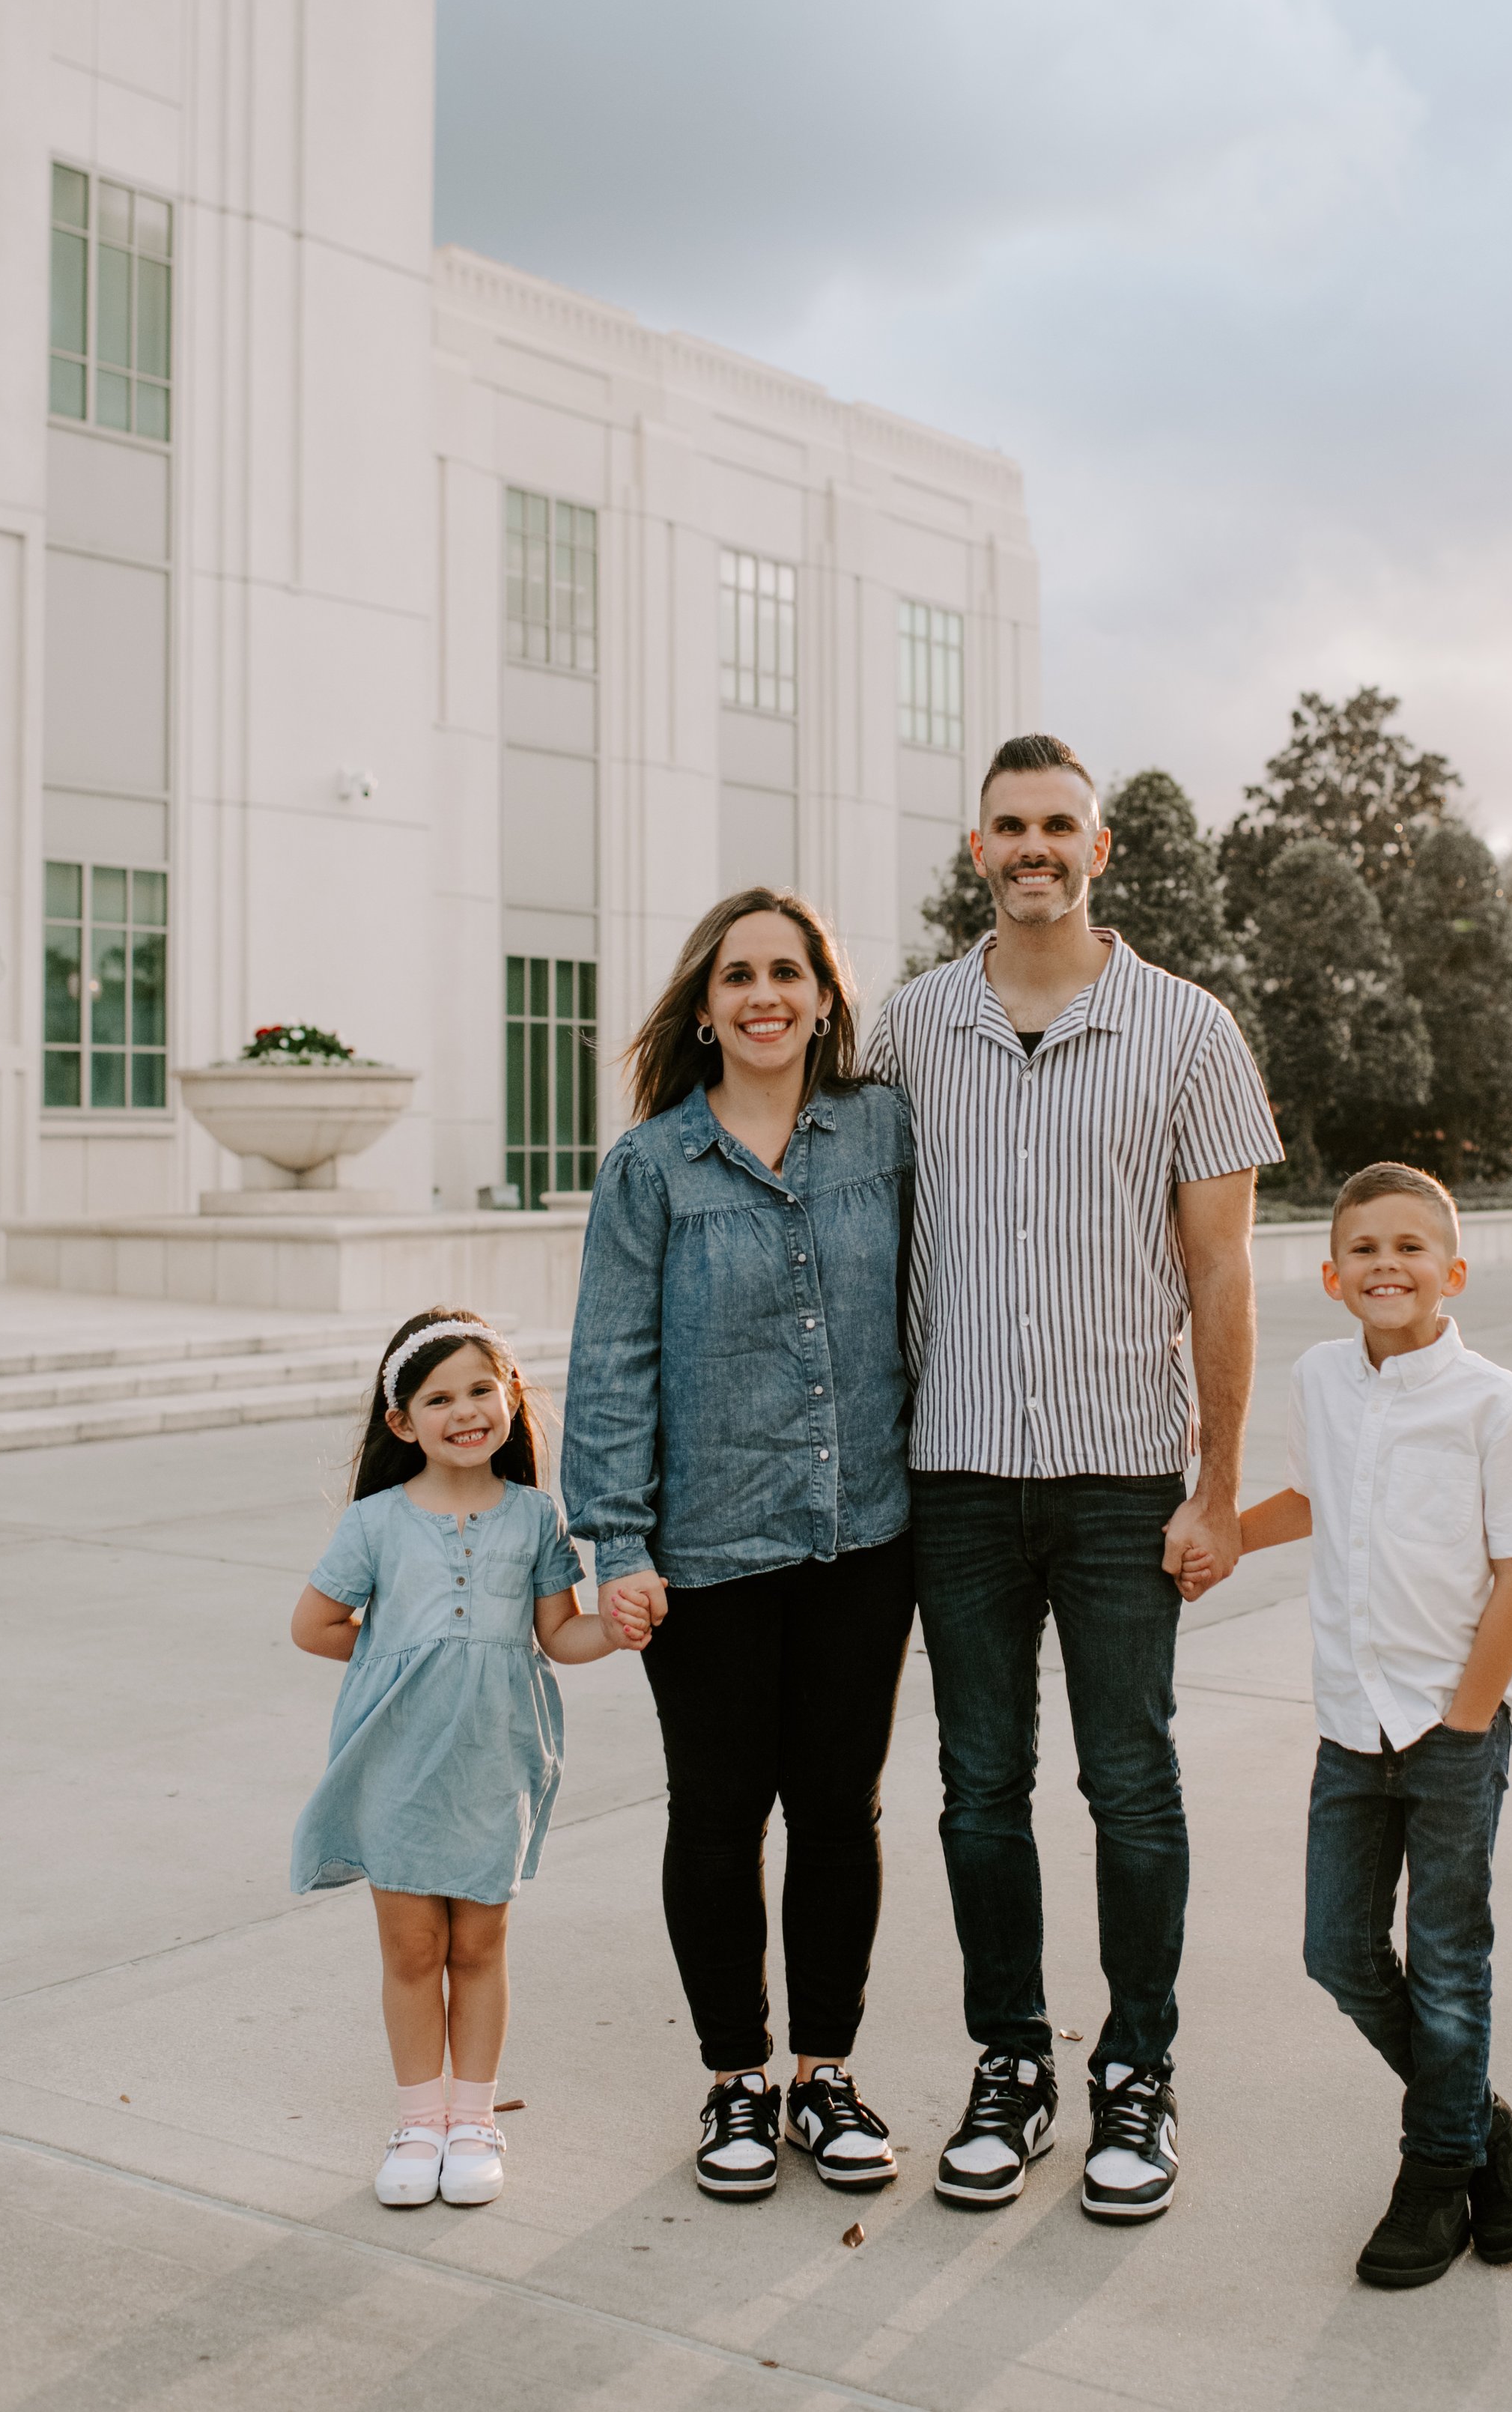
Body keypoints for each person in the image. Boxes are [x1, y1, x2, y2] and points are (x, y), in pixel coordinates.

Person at [863, 732, 1284, 2225]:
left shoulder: (1186, 1031)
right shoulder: (905, 1031)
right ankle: (1010, 2069)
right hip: (957, 1482)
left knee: (1130, 1786)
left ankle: (1137, 2077)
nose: (1032, 846)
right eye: (1006, 827)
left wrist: (1215, 1486)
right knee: (977, 1788)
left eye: (1057, 826)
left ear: (1098, 850)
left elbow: (1223, 1275)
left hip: (1120, 1481)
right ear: (974, 850)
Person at [563, 887, 915, 2203]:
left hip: (862, 1537)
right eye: (738, 977)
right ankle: (733, 2085)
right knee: (717, 1815)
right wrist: (616, 1541)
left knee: (838, 1812)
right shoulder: (652, 1167)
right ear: (705, 1010)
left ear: (825, 997)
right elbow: (610, 1363)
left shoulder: (883, 1132)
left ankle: (825, 2073)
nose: (764, 994)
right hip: (702, 1551)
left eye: (788, 972)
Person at [1237, 1162, 1512, 2288]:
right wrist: (1220, 1538)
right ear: (1332, 1276)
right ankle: (1484, 2123)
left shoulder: (1494, 1402)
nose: (1389, 1263)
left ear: (1453, 1270)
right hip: (1350, 1719)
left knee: (1445, 1960)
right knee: (1337, 1949)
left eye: (1410, 1246)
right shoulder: (1321, 1380)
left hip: (1453, 1724)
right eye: (1366, 1249)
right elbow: (1312, 1499)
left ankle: (1436, 2174)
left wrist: (1469, 1719)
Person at [290, 1307, 637, 2209]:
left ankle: (474, 2118)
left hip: (494, 1753)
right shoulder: (375, 1523)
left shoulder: (532, 1518)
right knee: (413, 1948)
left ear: (512, 1397)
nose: (465, 1411)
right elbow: (316, 1626)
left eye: (481, 1388)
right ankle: (418, 2121)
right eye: (438, 1398)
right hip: (397, 1758)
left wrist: (618, 1626)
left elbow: (558, 1634)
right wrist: (399, 1660)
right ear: (403, 1423)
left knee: (478, 1942)